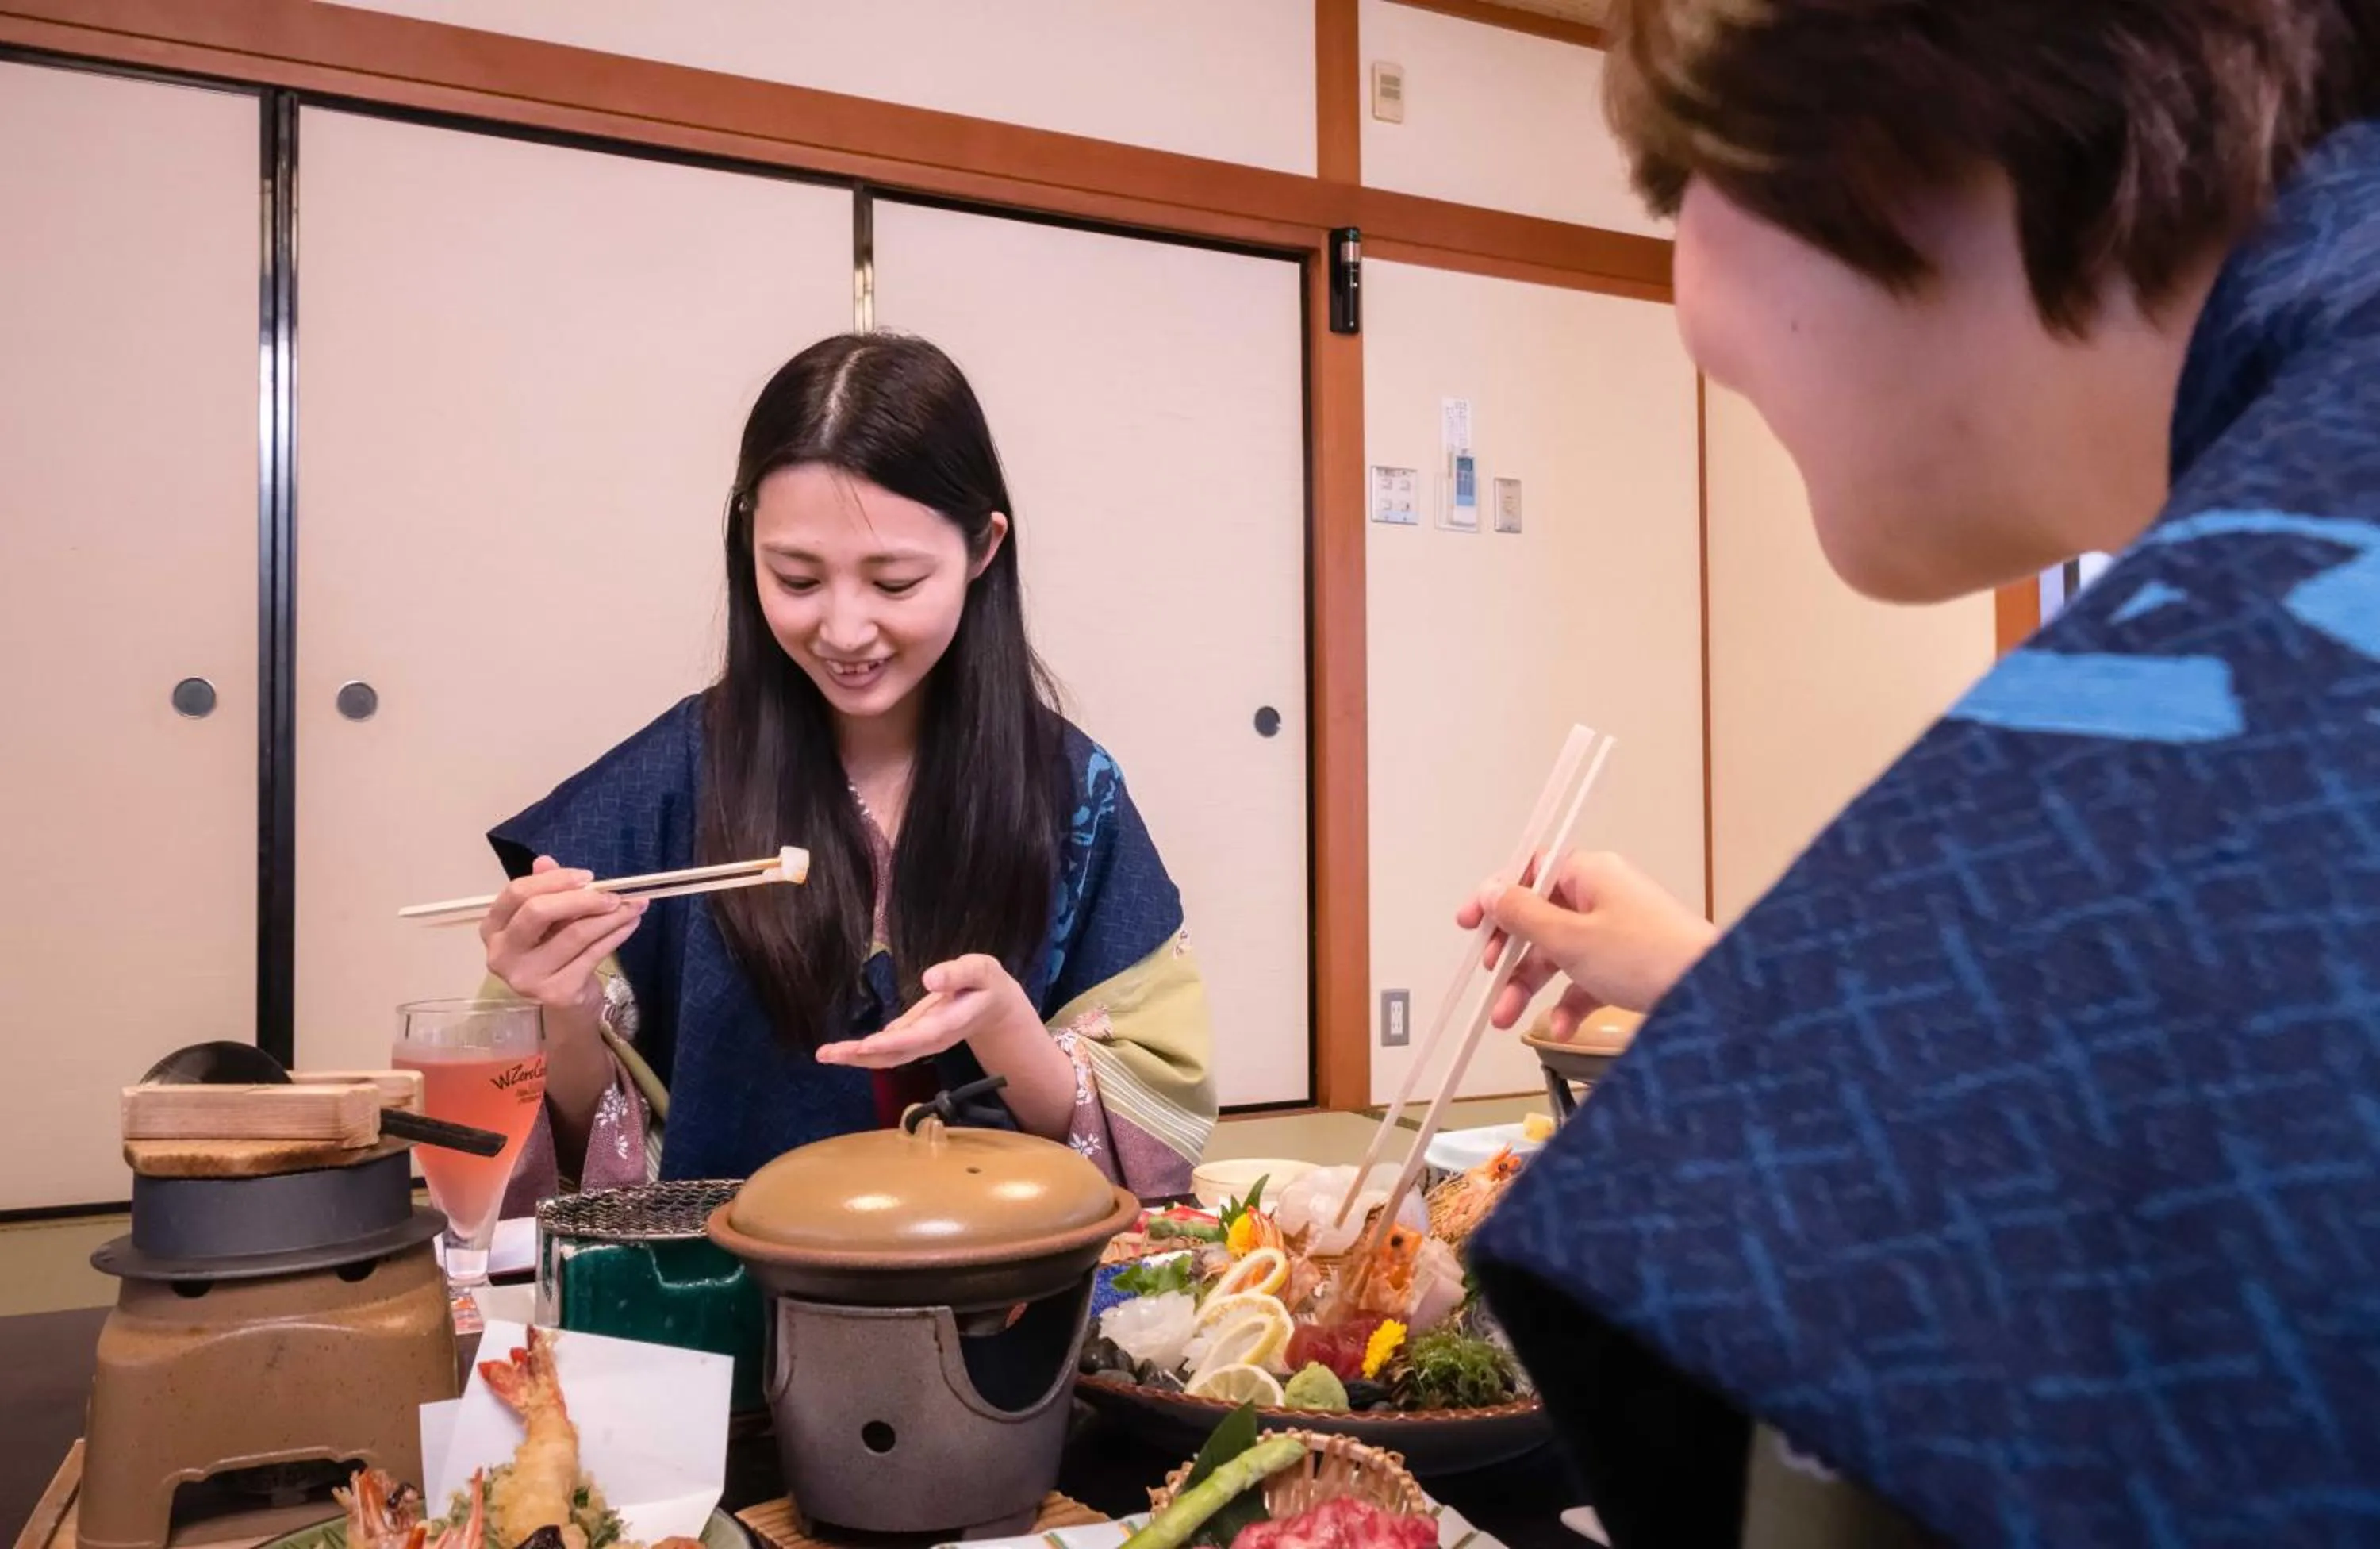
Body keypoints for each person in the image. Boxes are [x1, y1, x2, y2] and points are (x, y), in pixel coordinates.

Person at [1463, 2, 2380, 1545]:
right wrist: (1735, 981)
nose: (1685, 305)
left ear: (1883, 135)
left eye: (1679, 183)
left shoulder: (2130, 811)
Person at [474, 333, 1216, 1209]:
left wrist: (1009, 1028)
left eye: (895, 582)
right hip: (724, 1308)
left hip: (1000, 1303)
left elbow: (1152, 1140)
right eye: (797, 577)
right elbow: (540, 1155)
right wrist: (559, 1007)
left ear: (983, 550)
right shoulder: (650, 799)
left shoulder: (1070, 795)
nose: (846, 629)